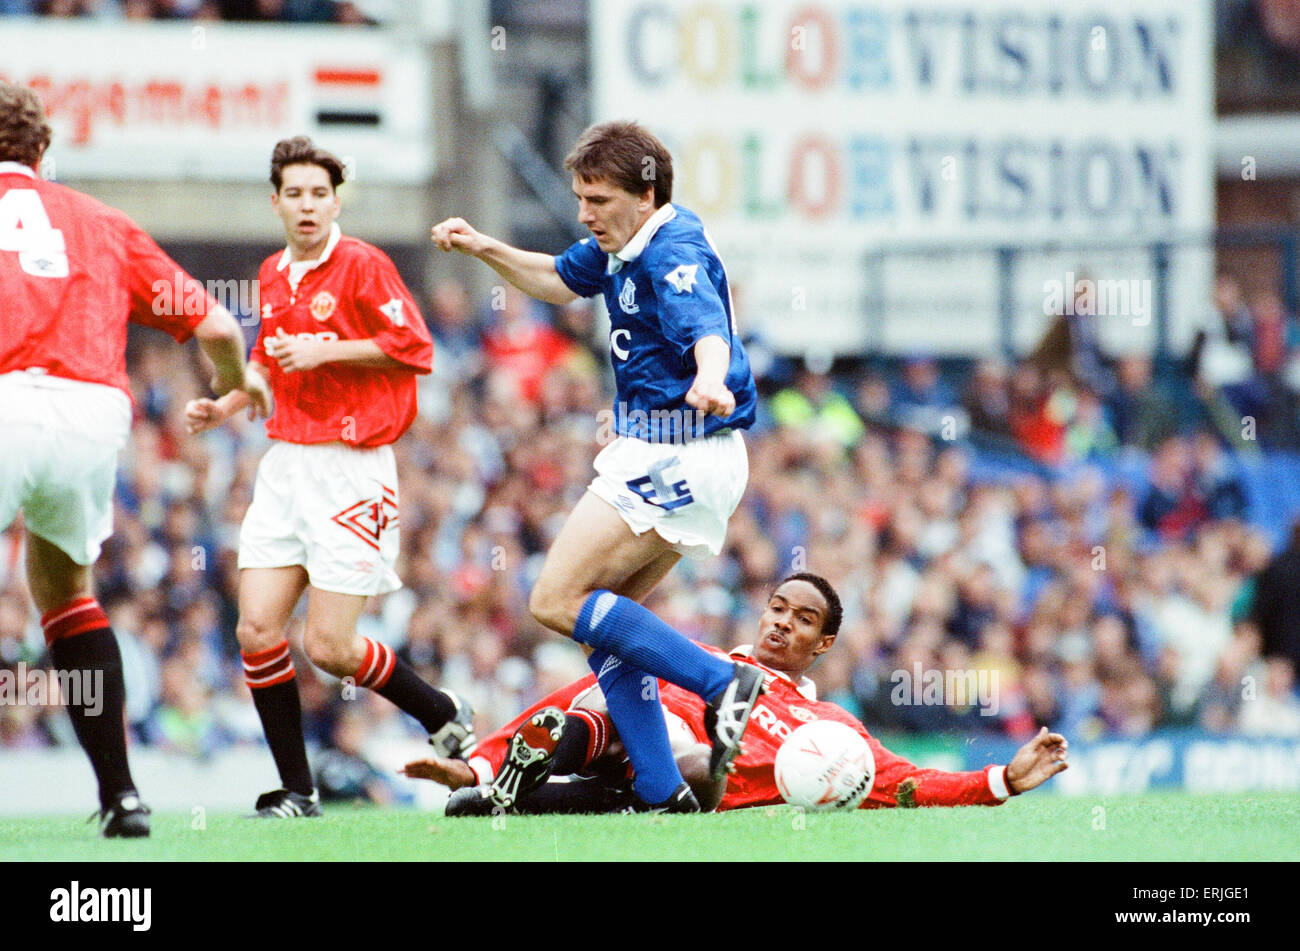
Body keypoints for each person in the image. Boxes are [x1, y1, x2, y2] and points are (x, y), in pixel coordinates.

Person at [431, 121, 763, 811]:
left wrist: (711, 377)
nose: (584, 214)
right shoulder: (627, 241)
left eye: (598, 200)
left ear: (645, 194)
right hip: (691, 453)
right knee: (603, 620)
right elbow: (557, 278)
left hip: (680, 443)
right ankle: (661, 787)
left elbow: (706, 329)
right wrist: (483, 245)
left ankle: (718, 682)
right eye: (580, 197)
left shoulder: (670, 252)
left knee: (554, 598)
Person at [0, 81, 270, 836]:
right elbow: (215, 322)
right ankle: (121, 793)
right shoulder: (100, 222)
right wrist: (235, 379)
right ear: (43, 153)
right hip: (90, 415)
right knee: (64, 593)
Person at [186, 136, 472, 818]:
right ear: (276, 202)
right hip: (286, 463)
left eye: (320, 193)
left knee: (330, 647)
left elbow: (416, 349)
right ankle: (297, 788)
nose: (308, 205)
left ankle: (439, 707)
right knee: (256, 629)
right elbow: (265, 360)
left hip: (352, 468)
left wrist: (328, 348)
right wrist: (227, 399)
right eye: (296, 194)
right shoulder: (273, 271)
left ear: (336, 200)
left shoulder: (364, 265)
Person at [403, 574, 1069, 814]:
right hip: (635, 752)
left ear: (825, 644)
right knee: (608, 692)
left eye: (803, 618)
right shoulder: (705, 663)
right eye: (777, 607)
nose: (782, 620)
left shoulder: (831, 730)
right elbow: (582, 685)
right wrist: (479, 757)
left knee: (683, 756)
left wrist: (1000, 778)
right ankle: (500, 782)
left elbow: (908, 782)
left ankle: (503, 797)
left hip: (686, 784)